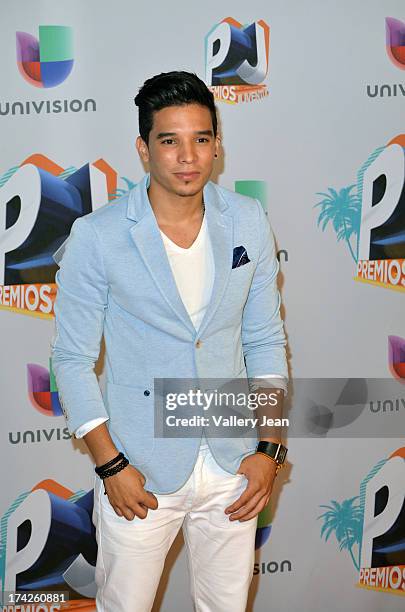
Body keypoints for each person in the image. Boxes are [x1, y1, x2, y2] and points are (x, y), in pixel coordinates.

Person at [51, 71, 289, 612]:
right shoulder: (100, 235)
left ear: (216, 145)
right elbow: (71, 358)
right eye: (169, 140)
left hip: (233, 467)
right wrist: (111, 466)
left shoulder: (248, 221)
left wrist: (269, 450)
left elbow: (265, 338)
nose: (188, 156)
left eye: (201, 139)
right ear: (143, 148)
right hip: (140, 472)